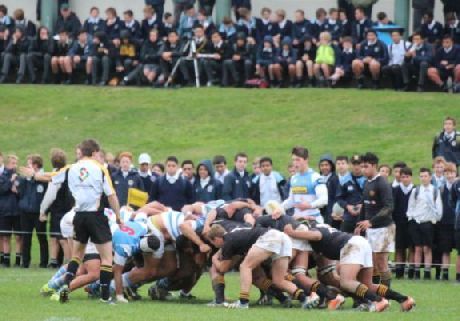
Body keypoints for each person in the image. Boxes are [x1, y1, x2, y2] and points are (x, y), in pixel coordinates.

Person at [284, 223, 416, 312]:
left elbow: (317, 236)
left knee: (346, 282)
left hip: (351, 246)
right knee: (368, 285)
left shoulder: (314, 230)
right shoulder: (323, 227)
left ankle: (378, 301)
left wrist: (291, 232)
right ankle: (403, 299)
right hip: (361, 243)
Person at [57, 139, 122, 304]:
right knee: (107, 258)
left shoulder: (71, 168)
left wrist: (34, 174)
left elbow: (51, 176)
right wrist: (118, 215)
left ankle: (65, 288)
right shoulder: (100, 168)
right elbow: (111, 195)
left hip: (78, 216)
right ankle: (105, 297)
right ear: (94, 153)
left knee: (76, 256)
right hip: (96, 216)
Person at [208, 224, 310, 309]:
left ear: (216, 238)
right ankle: (304, 299)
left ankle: (243, 302)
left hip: (269, 237)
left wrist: (214, 259)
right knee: (279, 280)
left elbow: (223, 268)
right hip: (282, 237)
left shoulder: (228, 242)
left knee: (245, 267)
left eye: (213, 242)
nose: (215, 246)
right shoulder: (236, 234)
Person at [356, 152, 394, 286]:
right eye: (361, 166)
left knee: (381, 263)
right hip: (370, 228)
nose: (363, 169)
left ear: (374, 166)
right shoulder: (367, 182)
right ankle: (377, 293)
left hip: (384, 228)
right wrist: (359, 225)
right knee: (370, 263)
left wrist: (371, 221)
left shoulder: (382, 182)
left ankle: (386, 295)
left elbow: (389, 206)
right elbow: (364, 206)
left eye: (365, 166)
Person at [406, 168, 443, 280]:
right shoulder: (416, 190)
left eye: (425, 176)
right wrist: (411, 217)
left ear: (430, 177)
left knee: (427, 248)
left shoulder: (434, 191)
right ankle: (417, 272)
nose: (423, 178)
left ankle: (427, 272)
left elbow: (439, 207)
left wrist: (435, 219)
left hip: (428, 223)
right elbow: (411, 206)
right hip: (416, 223)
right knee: (417, 248)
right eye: (421, 176)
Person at [17, 154, 48, 268]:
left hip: (39, 213)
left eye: (29, 164)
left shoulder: (44, 178)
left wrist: (44, 211)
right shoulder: (25, 179)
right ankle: (25, 262)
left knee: (42, 238)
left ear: (35, 165)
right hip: (25, 212)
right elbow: (20, 192)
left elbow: (47, 195)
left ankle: (44, 263)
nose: (27, 166)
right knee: (26, 237)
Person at [282, 146, 327, 223]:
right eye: (293, 160)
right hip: (298, 221)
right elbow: (291, 201)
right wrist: (279, 208)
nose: (295, 163)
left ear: (306, 159)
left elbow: (324, 200)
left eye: (298, 160)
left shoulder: (316, 177)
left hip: (314, 220)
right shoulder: (293, 178)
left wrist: (309, 205)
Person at [392, 166, 415, 279]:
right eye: (403, 177)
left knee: (411, 247)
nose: (405, 179)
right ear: (400, 178)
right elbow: (392, 207)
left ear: (411, 177)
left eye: (407, 177)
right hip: (398, 223)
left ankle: (410, 271)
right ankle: (399, 271)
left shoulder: (415, 189)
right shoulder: (395, 190)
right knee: (399, 248)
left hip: (412, 223)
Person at [436, 162, 457, 280]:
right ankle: (444, 273)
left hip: (457, 223)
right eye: (447, 173)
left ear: (455, 173)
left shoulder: (458, 187)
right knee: (445, 250)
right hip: (444, 223)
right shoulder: (441, 189)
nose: (449, 175)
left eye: (452, 173)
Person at [0, 154, 21, 268]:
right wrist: (10, 182)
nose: (15, 165)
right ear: (8, 164)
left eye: (16, 163)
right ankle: (6, 260)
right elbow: (2, 189)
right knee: (5, 237)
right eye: (13, 163)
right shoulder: (2, 176)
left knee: (19, 236)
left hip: (17, 212)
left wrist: (17, 191)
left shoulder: (19, 177)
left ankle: (18, 260)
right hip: (5, 211)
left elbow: (22, 193)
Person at [336, 154, 365, 233]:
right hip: (348, 217)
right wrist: (347, 206)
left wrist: (362, 205)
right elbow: (339, 198)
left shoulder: (367, 179)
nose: (356, 167)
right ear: (350, 165)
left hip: (364, 217)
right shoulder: (344, 180)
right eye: (354, 164)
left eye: (359, 164)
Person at [318, 154, 339, 226]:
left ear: (331, 166)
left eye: (326, 165)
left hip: (331, 213)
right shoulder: (318, 179)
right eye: (322, 165)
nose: (324, 167)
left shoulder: (335, 179)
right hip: (320, 213)